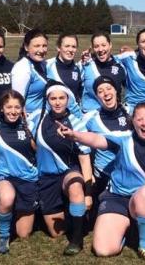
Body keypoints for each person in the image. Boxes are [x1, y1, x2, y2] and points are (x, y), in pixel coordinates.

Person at [57, 102, 145, 263]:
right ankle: (129, 230)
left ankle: (144, 245)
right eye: (139, 119)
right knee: (103, 250)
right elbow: (96, 139)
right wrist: (75, 135)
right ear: (133, 121)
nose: (144, 123)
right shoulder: (123, 139)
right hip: (117, 198)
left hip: (143, 201)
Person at [27, 82, 92, 255]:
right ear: (47, 100)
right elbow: (31, 141)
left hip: (68, 173)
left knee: (76, 185)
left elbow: (85, 160)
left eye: (61, 98)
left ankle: (77, 240)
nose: (57, 102)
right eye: (53, 98)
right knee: (57, 232)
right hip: (46, 178)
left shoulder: (76, 124)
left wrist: (88, 194)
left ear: (68, 99)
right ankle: (73, 213)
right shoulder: (36, 118)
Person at [0, 90, 37, 254]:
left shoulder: (30, 125)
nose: (13, 111)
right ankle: (3, 236)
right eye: (9, 107)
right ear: (2, 108)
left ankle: (2, 211)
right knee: (7, 197)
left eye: (17, 107)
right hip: (4, 175)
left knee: (24, 234)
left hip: (28, 177)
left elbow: (39, 149)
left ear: (22, 108)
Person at [82, 77, 131, 202]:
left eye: (109, 88)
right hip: (103, 177)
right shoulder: (90, 118)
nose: (106, 93)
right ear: (97, 96)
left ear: (116, 91)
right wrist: (88, 174)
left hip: (130, 174)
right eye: (100, 91)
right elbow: (82, 148)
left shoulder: (131, 112)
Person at [80, 32, 127, 112]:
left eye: (103, 45)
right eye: (96, 46)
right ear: (92, 48)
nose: (100, 49)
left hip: (113, 115)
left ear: (110, 45)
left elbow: (131, 89)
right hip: (90, 115)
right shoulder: (85, 65)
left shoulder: (121, 65)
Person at [11, 29, 50, 113]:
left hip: (42, 116)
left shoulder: (42, 63)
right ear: (26, 47)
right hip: (30, 119)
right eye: (37, 46)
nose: (42, 50)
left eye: (44, 46)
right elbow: (17, 102)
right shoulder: (22, 68)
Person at [46, 33, 82, 101]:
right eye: (67, 46)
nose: (70, 50)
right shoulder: (47, 65)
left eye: (73, 47)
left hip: (73, 110)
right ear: (58, 47)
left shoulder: (77, 68)